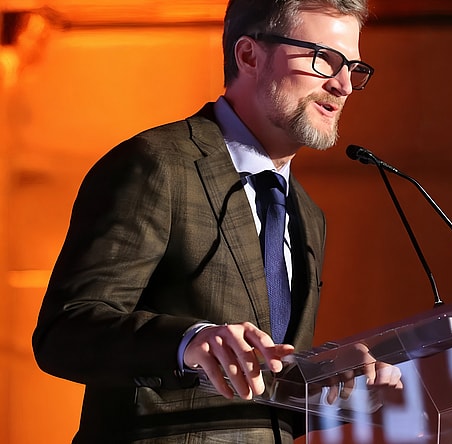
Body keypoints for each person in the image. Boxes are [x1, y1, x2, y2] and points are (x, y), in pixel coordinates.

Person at [32, 0, 397, 442]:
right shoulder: (158, 164)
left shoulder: (307, 213)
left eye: (353, 67)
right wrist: (188, 341)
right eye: (324, 59)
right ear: (249, 56)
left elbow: (267, 397)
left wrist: (338, 384)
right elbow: (64, 332)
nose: (344, 85)